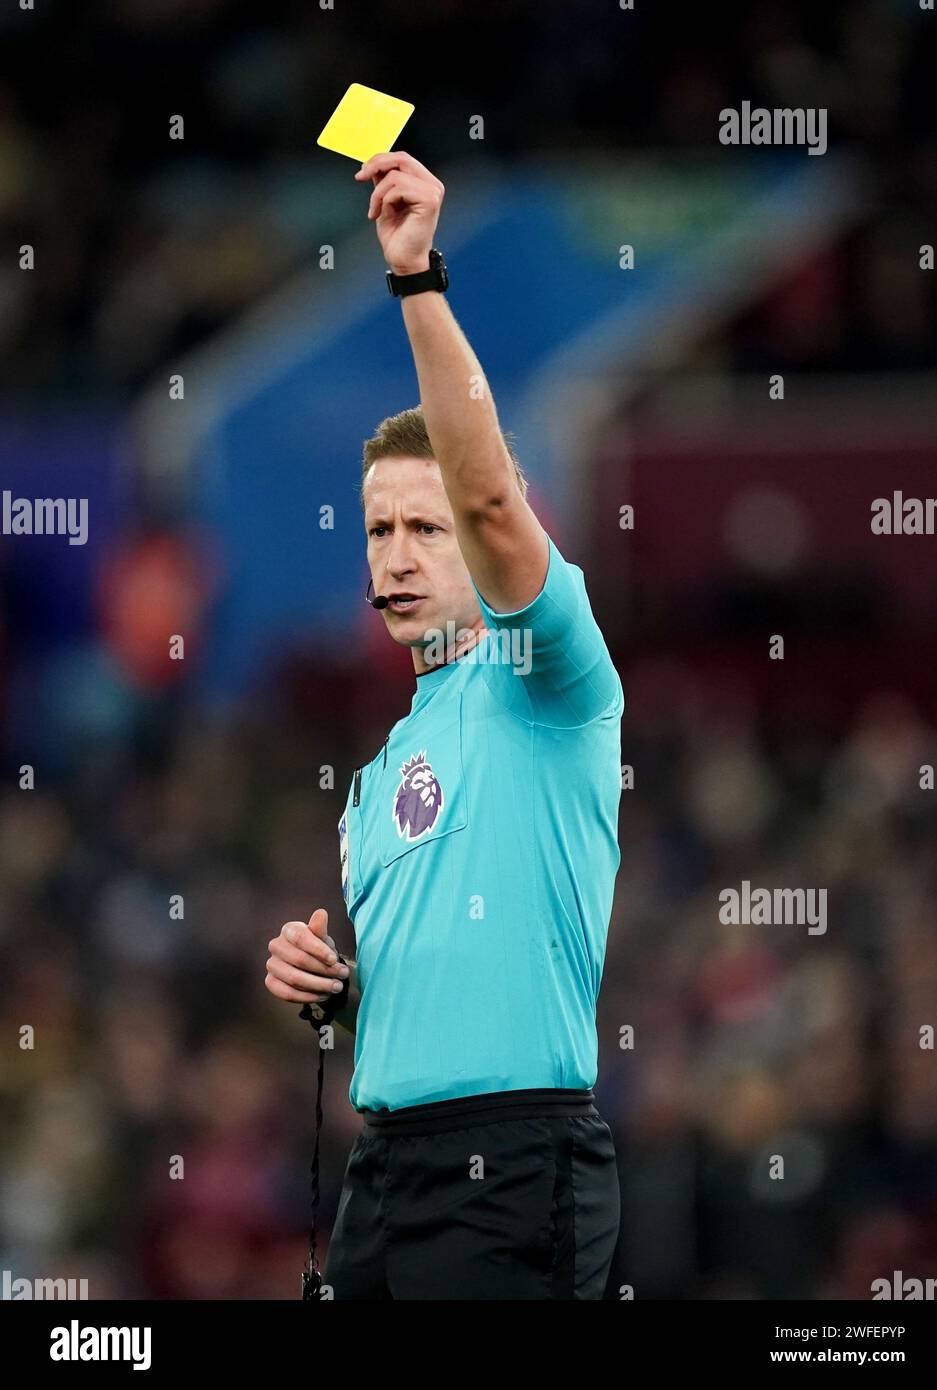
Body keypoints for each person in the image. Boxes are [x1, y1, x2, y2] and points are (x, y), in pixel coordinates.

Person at [265, 151, 623, 1299]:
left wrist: (417, 278)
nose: (397, 555)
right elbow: (445, 981)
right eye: (378, 532)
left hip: (515, 1167)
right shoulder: (373, 782)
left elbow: (483, 490)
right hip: (383, 1174)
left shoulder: (551, 675)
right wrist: (339, 989)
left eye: (426, 527)